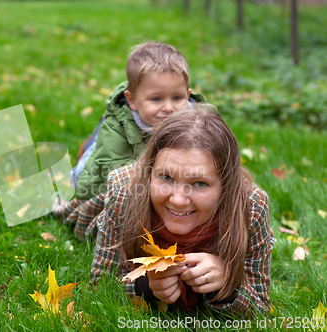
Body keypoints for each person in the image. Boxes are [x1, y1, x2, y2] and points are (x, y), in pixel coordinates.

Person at [91, 106, 275, 316]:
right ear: (150, 172)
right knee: (75, 208)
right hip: (96, 208)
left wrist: (228, 286)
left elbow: (259, 306)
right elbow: (100, 284)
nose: (178, 200)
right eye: (166, 177)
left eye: (199, 183)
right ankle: (100, 133)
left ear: (226, 187)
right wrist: (145, 288)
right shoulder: (125, 191)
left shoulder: (250, 207)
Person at [54, 41, 204, 240]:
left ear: (188, 95)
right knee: (79, 174)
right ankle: (89, 146)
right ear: (132, 100)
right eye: (156, 99)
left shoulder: (199, 121)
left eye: (177, 98)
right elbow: (111, 169)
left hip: (149, 171)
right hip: (104, 167)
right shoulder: (116, 129)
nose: (168, 108)